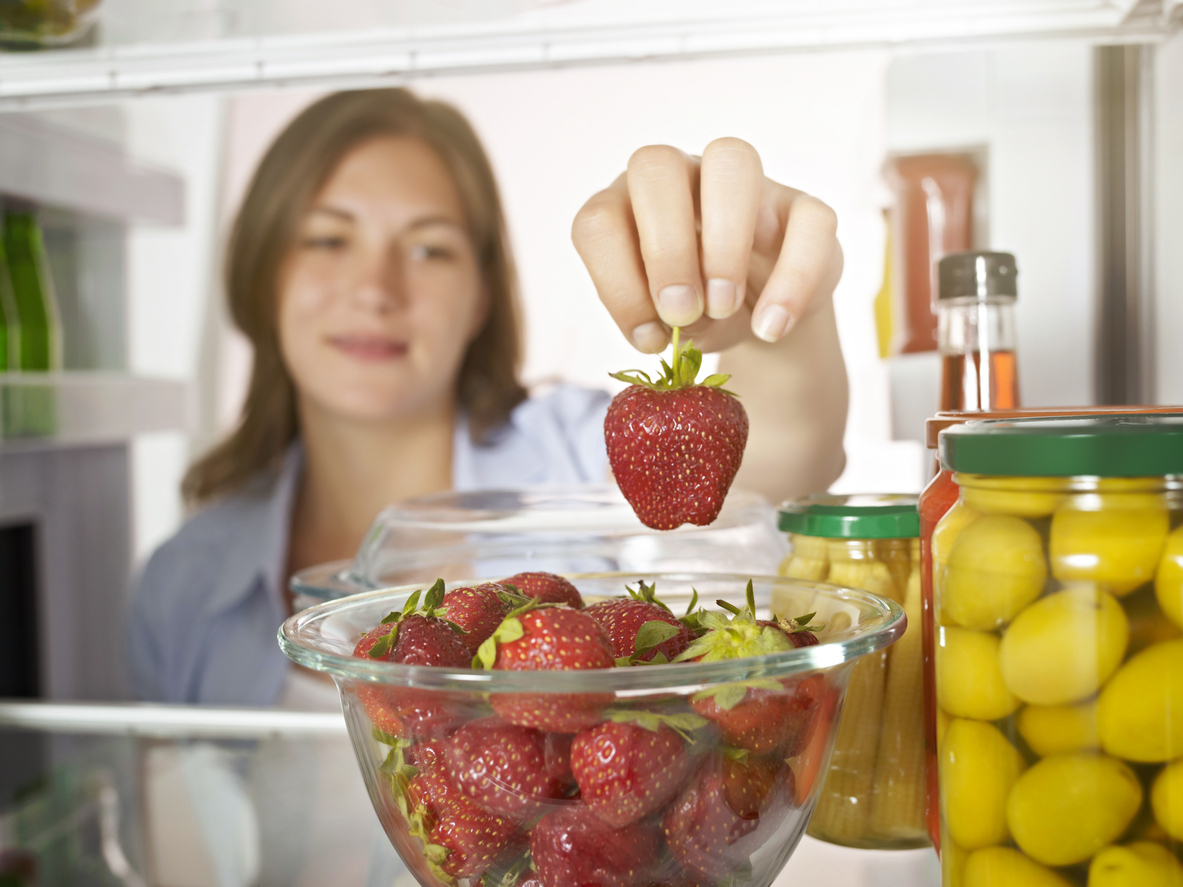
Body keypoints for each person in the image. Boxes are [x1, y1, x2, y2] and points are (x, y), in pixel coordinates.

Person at [128, 86, 847, 705]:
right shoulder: (182, 583)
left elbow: (774, 467)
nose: (375, 289)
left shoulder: (574, 455)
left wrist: (770, 304)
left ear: (480, 295)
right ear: (262, 272)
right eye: (326, 240)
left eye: (428, 248)